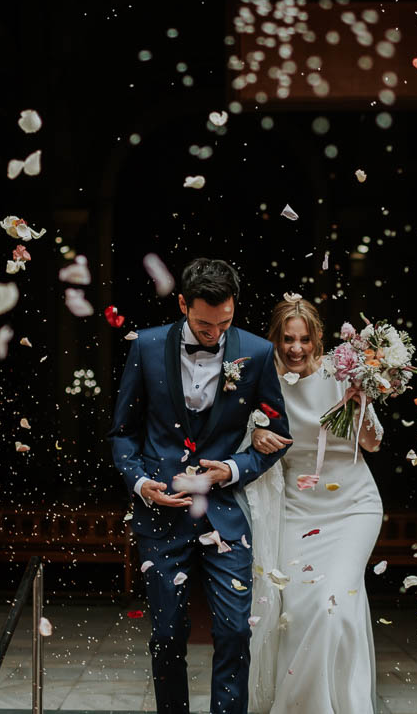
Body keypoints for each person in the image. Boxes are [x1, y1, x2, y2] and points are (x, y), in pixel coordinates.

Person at [108, 258, 292, 714]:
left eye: (224, 323)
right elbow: (123, 433)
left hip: (225, 514)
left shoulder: (257, 352)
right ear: (183, 303)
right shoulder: (147, 346)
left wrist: (230, 468)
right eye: (204, 324)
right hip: (161, 514)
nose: (214, 334)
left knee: (234, 630)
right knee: (167, 634)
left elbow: (278, 435)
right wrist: (142, 481)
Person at [244, 297, 383, 713]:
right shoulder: (261, 381)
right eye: (288, 339)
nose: (296, 348)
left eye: (304, 339)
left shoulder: (342, 374)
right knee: (299, 610)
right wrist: (253, 435)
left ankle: (341, 704)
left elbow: (373, 443)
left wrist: (362, 402)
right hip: (297, 510)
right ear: (276, 339)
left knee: (333, 606)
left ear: (317, 339)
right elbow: (242, 435)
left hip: (353, 507)